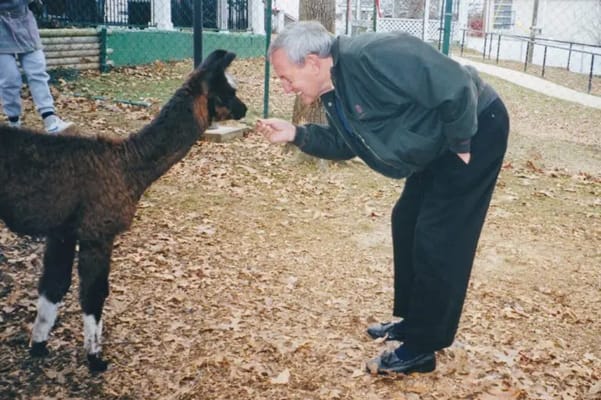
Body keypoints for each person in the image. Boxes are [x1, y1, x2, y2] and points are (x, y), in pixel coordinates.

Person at [257, 21, 509, 375]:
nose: (285, 88)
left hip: (475, 126)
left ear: (313, 62)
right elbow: (347, 143)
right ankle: (413, 321)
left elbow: (452, 81)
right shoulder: (335, 88)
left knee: (440, 237)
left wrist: (461, 143)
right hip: (437, 143)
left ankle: (423, 347)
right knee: (406, 220)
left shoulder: (374, 54)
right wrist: (297, 133)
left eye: (286, 77)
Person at [0, 0, 73, 133]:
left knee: (37, 72)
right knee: (10, 79)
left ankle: (50, 120)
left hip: (23, 22)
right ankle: (14, 124)